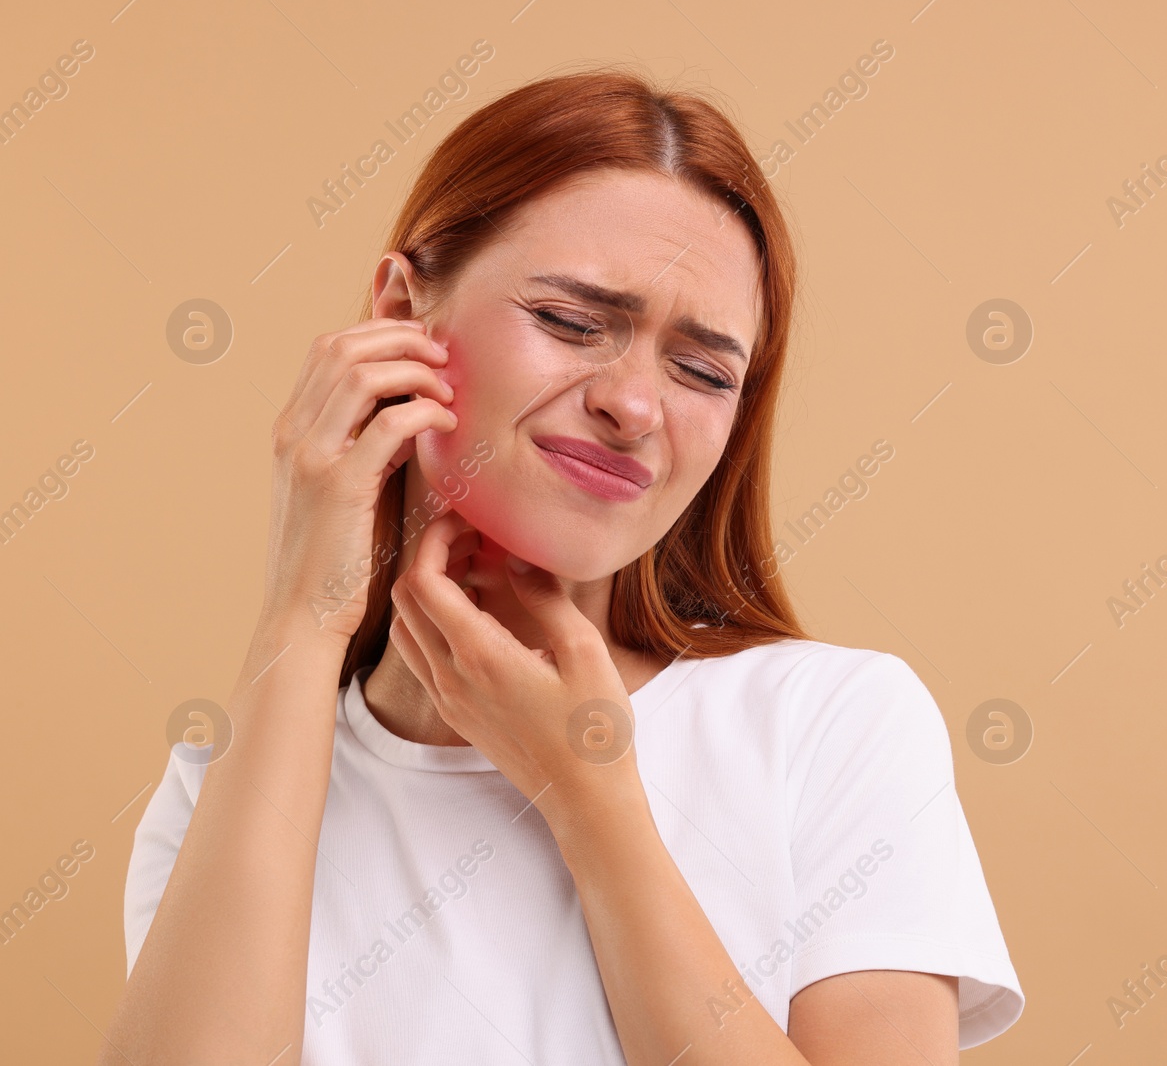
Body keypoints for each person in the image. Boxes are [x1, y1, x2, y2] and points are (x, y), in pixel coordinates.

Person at [102, 67, 1023, 1065]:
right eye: (572, 322)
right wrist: (300, 615)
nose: (632, 405)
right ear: (402, 314)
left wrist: (591, 797)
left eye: (703, 370)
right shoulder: (226, 791)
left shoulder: (830, 723)